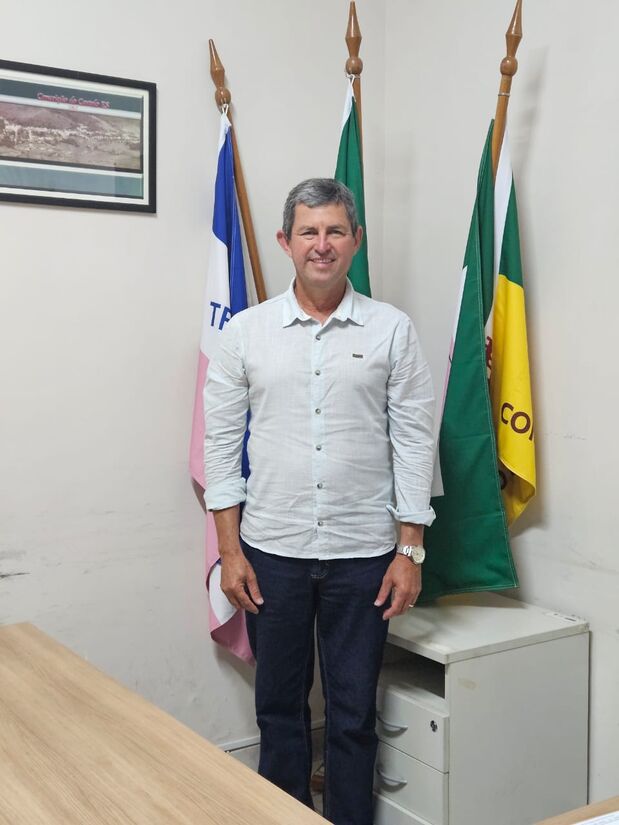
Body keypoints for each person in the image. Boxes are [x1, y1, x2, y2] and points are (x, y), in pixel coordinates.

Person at [204, 178, 435, 825]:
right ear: (286, 241)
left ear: (355, 240)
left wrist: (410, 550)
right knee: (278, 710)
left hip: (364, 557)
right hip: (270, 554)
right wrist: (229, 552)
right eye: (309, 231)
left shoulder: (391, 329)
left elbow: (414, 441)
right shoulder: (246, 333)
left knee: (353, 714)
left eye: (335, 231)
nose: (322, 244)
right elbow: (220, 447)